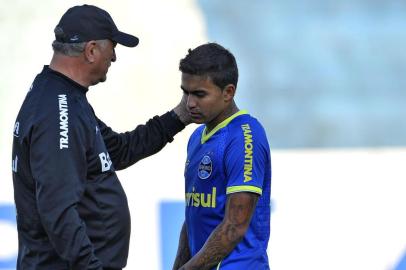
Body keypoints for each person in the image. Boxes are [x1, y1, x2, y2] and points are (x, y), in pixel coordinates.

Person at [11, 4, 190, 270]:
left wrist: (180, 116)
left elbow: (118, 150)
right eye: (113, 47)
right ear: (91, 50)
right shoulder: (59, 110)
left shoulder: (62, 98)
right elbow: (58, 213)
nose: (115, 57)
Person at [172, 43, 271, 270]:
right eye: (185, 92)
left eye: (199, 94)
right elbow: (194, 216)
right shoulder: (197, 136)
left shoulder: (245, 136)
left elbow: (234, 226)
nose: (189, 103)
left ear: (228, 92)